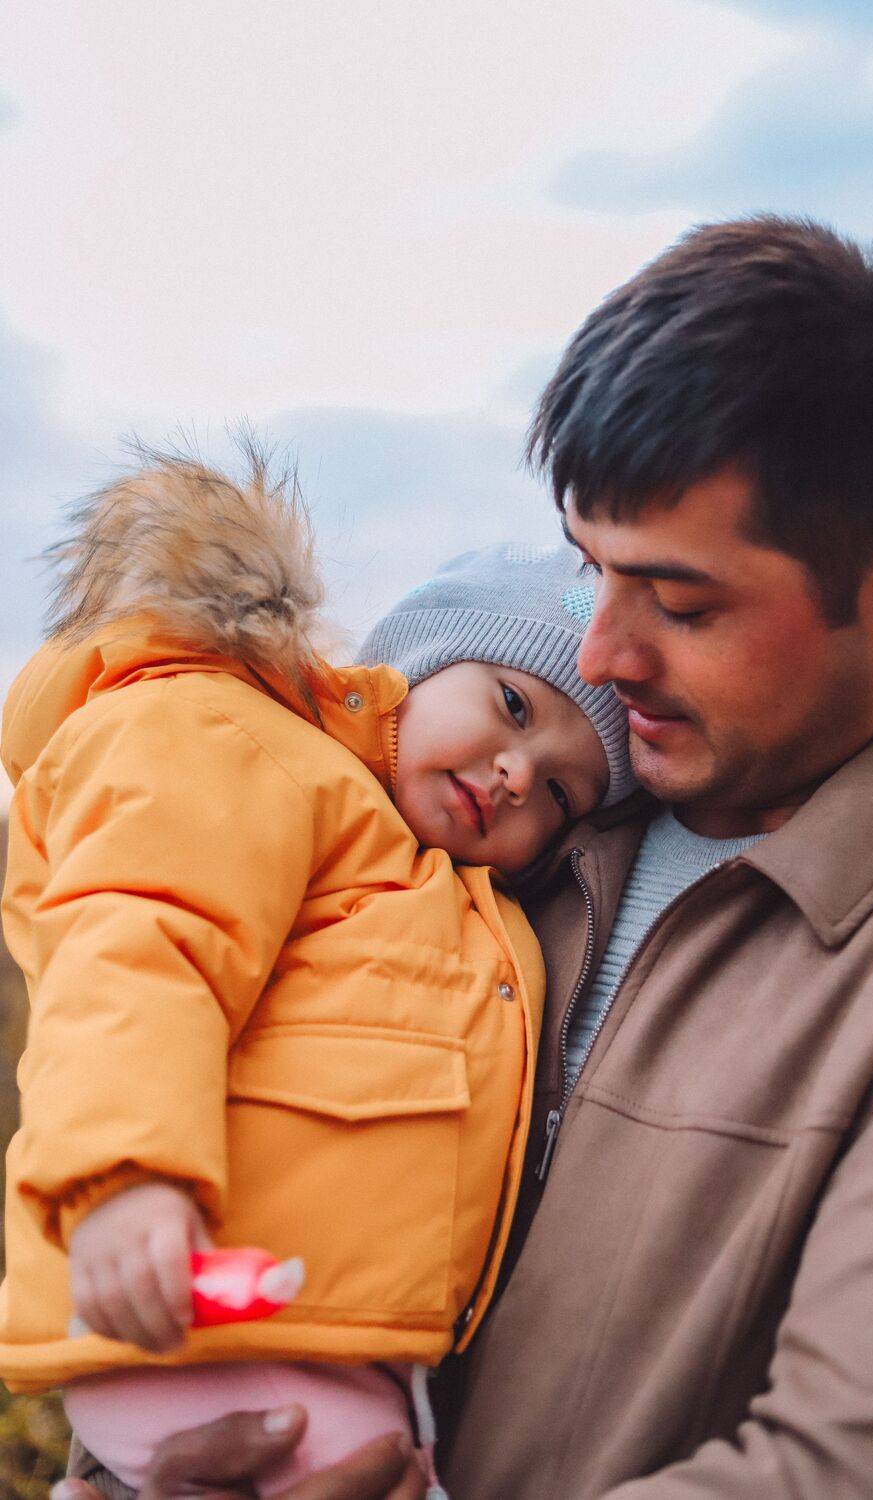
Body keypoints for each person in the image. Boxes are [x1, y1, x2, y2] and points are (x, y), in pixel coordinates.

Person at [60, 214, 873, 1499]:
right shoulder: (485, 852)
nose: (603, 655)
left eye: (682, 604)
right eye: (587, 570)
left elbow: (869, 1468)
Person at [0, 450, 635, 1496]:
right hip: (189, 1294)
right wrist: (122, 1180)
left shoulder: (426, 885)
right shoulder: (235, 740)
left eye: (564, 793)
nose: (519, 774)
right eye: (514, 708)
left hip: (315, 1333)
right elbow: (140, 948)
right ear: (416, 665)